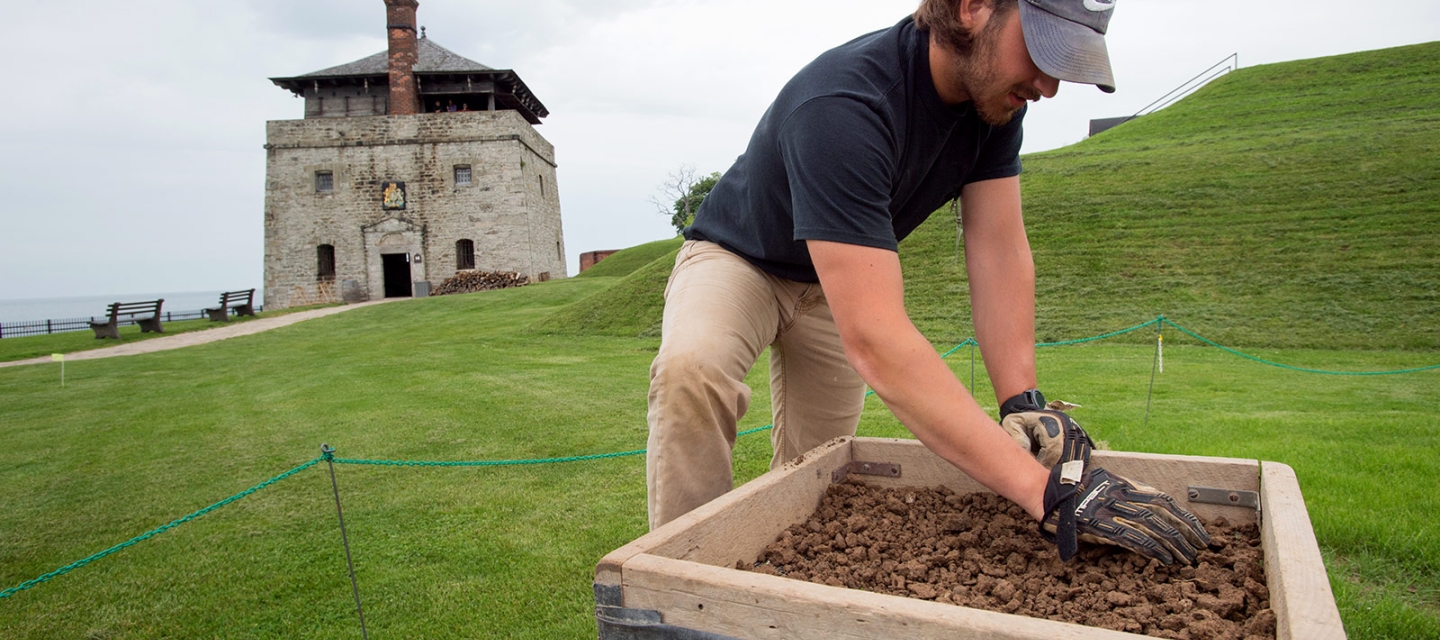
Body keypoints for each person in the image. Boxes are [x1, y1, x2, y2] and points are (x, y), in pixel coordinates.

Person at [646, 0, 1211, 565]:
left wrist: (1023, 400)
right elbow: (877, 341)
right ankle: (677, 584)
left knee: (815, 476)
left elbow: (998, 250)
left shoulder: (993, 106)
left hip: (833, 283)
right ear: (973, 8)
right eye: (1042, 49)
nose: (1049, 85)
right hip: (741, 258)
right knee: (691, 371)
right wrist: (1051, 494)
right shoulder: (846, 103)